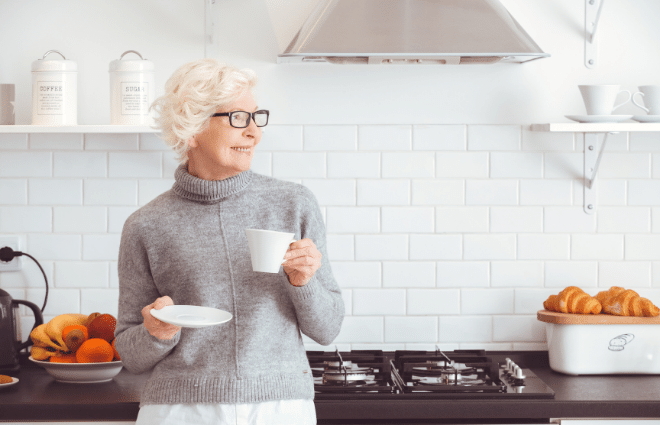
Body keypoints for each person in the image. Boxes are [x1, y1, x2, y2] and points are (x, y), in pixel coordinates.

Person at [114, 58, 345, 425]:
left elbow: (328, 328)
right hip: (180, 411)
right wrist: (156, 333)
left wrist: (303, 283)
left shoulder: (294, 203)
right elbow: (130, 352)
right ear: (190, 129)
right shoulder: (146, 225)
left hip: (280, 408)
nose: (254, 132)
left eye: (257, 117)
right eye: (238, 118)